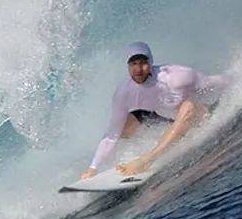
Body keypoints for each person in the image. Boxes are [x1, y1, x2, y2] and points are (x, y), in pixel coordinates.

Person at [79, 41, 230, 179]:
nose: (138, 69)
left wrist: (237, 81)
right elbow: (112, 134)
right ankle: (115, 165)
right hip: (164, 114)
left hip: (199, 111)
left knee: (187, 107)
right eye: (133, 64)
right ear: (128, 66)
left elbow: (212, 82)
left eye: (142, 63)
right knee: (123, 127)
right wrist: (93, 167)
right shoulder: (124, 92)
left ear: (150, 63)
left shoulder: (178, 77)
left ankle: (146, 160)